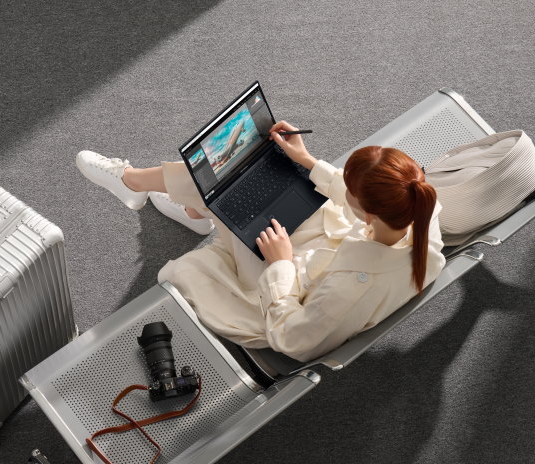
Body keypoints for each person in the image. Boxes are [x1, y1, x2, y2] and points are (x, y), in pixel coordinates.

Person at [76, 121, 446, 362]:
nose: (342, 187)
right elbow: (351, 204)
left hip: (287, 288)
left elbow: (295, 340)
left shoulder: (352, 289)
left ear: (368, 214)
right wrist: (306, 160)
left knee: (228, 193)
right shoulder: (419, 209)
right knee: (269, 173)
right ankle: (191, 210)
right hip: (329, 251)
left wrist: (281, 264)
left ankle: (133, 182)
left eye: (349, 189)